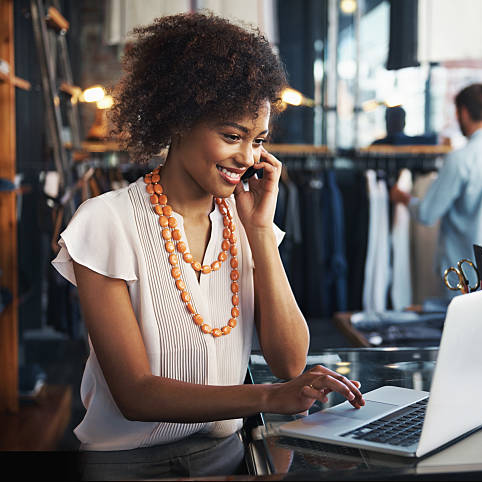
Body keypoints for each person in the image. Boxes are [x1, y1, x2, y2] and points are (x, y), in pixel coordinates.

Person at [51, 12, 363, 480]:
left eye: (259, 141)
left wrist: (260, 232)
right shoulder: (105, 222)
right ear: (178, 121)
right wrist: (265, 398)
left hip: (227, 456)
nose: (248, 157)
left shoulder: (245, 222)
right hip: (128, 465)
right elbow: (135, 395)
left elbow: (289, 360)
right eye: (232, 136)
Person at [390, 83, 482, 295]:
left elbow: (427, 213)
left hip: (463, 281)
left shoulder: (461, 159)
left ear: (463, 112)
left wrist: (403, 198)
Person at [372, 106, 437, 146]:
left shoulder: (377, 144)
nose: (394, 123)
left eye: (396, 120)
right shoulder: (414, 142)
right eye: (393, 120)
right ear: (404, 123)